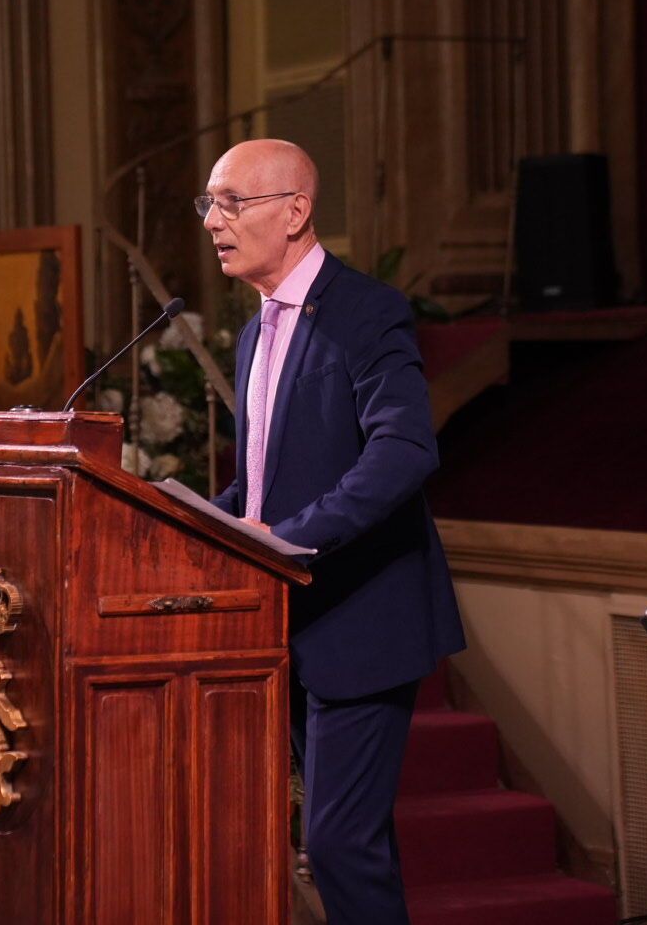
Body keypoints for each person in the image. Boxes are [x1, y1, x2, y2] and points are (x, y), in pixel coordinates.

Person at [202, 139, 466, 924]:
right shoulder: (254, 334)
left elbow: (406, 449)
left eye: (231, 202)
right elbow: (259, 483)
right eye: (208, 205)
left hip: (364, 617)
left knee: (342, 844)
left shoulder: (366, 311)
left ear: (295, 211)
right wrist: (189, 516)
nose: (214, 221)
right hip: (290, 618)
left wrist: (289, 540)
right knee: (344, 844)